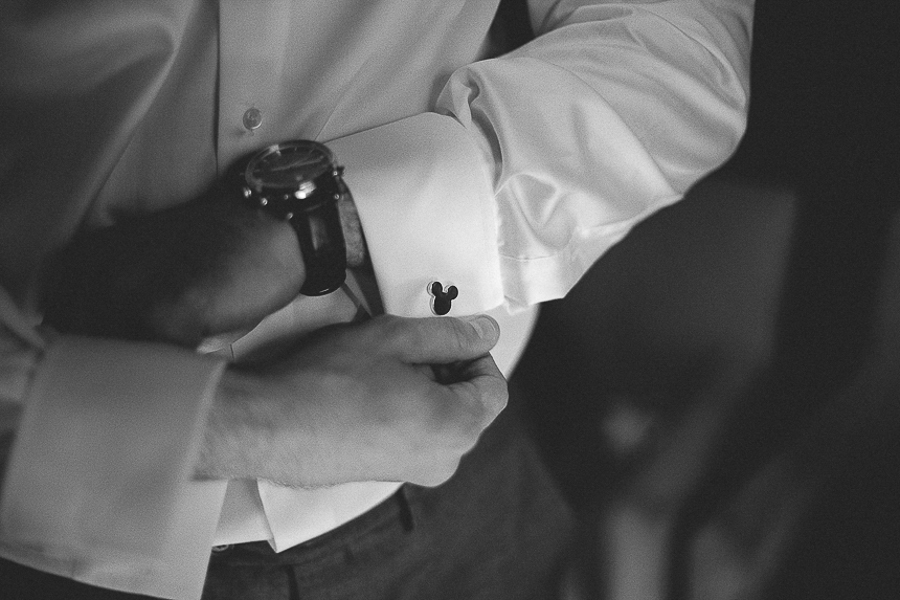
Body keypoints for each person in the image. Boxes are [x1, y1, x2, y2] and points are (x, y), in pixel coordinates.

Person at [0, 0, 754, 598]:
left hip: (454, 477)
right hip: (45, 549)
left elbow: (676, 49)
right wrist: (243, 426)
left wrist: (312, 226)